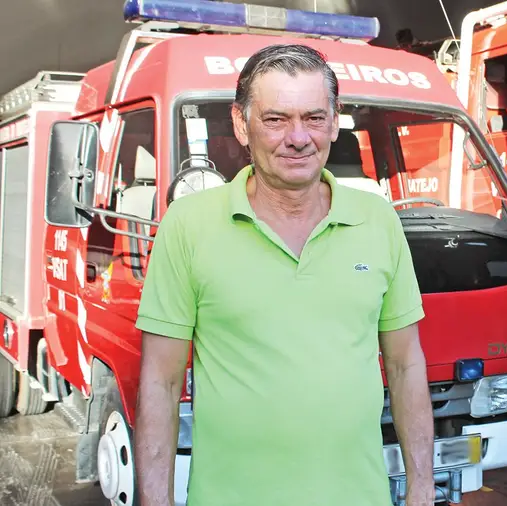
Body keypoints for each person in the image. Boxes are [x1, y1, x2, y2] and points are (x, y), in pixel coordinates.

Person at [132, 43, 436, 506]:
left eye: (314, 117)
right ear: (241, 124)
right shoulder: (188, 225)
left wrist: (422, 489)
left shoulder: (378, 220)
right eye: (276, 119)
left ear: (334, 122)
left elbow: (405, 364)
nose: (298, 137)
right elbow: (161, 380)